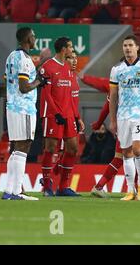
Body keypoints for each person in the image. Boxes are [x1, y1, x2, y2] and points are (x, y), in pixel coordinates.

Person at [109, 35, 140, 201]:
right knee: (126, 152)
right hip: (123, 115)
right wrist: (112, 120)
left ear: (137, 47)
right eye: (125, 45)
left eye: (130, 45)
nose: (127, 48)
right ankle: (130, 190)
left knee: (138, 149)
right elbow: (113, 96)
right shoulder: (116, 69)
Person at [1, 27, 46, 200]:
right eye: (33, 36)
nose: (35, 38)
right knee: (23, 146)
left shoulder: (11, 56)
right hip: (24, 108)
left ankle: (9, 190)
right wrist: (38, 82)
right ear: (28, 38)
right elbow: (24, 86)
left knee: (16, 148)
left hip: (12, 106)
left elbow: (6, 79)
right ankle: (16, 191)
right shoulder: (25, 60)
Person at [39, 37, 81, 197]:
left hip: (69, 115)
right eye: (70, 47)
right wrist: (56, 113)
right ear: (64, 49)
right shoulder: (48, 67)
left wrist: (77, 117)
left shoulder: (69, 69)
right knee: (50, 148)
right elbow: (46, 94)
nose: (72, 49)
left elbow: (70, 96)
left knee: (73, 149)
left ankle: (63, 187)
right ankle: (47, 185)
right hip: (52, 114)